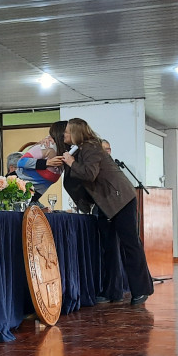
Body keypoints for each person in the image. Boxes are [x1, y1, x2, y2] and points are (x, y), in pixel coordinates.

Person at [58, 118, 153, 305]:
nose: (65, 135)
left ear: (77, 132)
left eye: (68, 131)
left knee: (130, 244)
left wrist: (70, 162)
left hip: (120, 200)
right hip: (106, 201)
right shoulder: (81, 149)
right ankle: (112, 291)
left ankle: (142, 290)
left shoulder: (91, 147)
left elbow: (89, 174)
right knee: (109, 247)